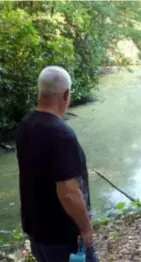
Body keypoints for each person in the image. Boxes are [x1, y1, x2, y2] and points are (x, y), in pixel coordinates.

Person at [16, 66, 99, 262]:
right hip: (63, 237)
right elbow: (68, 193)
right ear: (66, 95)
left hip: (37, 231)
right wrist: (86, 228)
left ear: (40, 91)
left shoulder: (25, 125)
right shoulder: (62, 134)